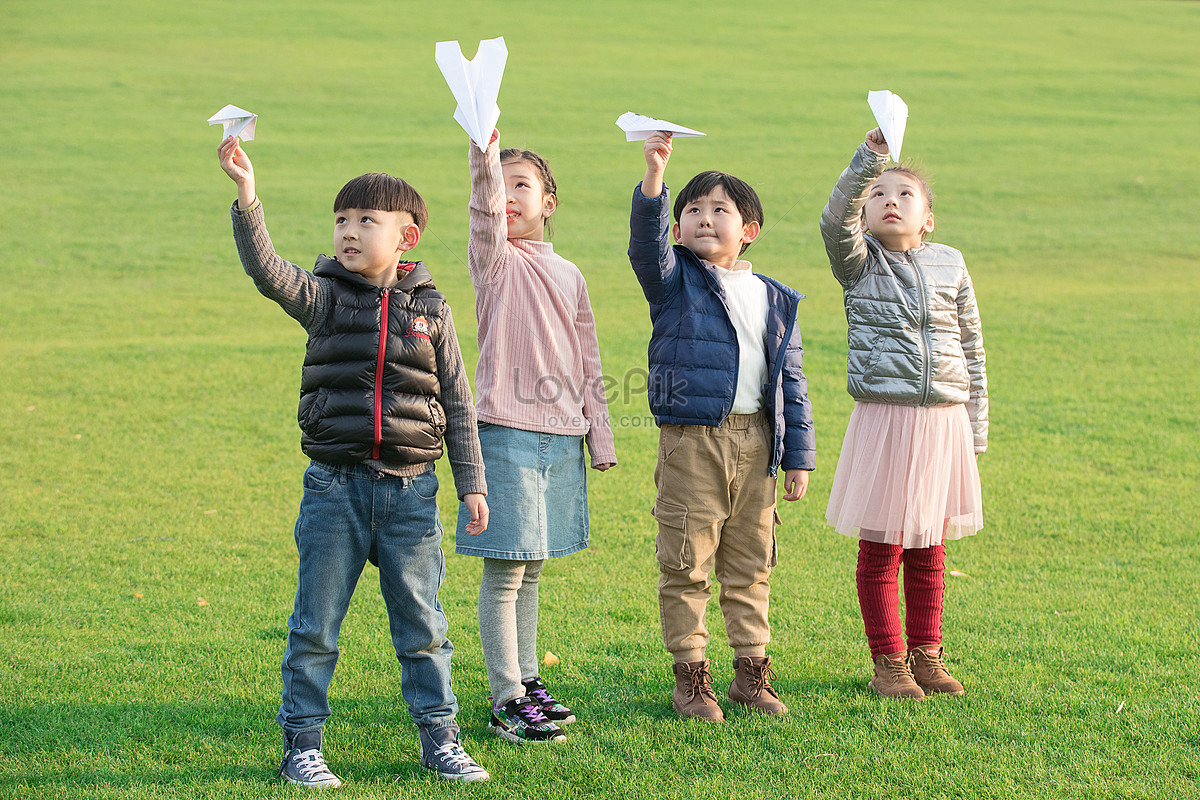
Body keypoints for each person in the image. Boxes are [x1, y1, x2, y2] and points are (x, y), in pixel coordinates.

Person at [217, 135, 491, 785]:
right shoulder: (323, 299)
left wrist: (472, 484)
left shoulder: (432, 311)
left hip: (411, 495)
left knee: (424, 628)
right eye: (341, 219)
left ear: (407, 237)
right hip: (333, 491)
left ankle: (440, 738)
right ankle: (302, 747)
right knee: (315, 628)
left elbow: (457, 398)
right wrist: (247, 196)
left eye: (367, 220)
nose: (348, 231)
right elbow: (267, 271)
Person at [629, 132, 815, 722]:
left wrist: (799, 456)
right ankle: (691, 678)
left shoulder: (774, 297)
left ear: (750, 230)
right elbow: (645, 247)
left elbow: (792, 382)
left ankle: (750, 675)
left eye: (720, 211)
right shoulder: (673, 282)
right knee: (686, 561)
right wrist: (656, 179)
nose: (704, 219)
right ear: (678, 228)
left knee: (752, 562)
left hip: (758, 443)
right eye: (692, 211)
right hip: (692, 443)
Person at [456, 129, 617, 743]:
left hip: (561, 438)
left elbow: (589, 359)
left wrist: (598, 437)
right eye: (500, 188)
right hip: (506, 432)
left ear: (549, 201)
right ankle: (505, 700)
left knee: (534, 568)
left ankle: (526, 681)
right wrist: (482, 155)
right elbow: (481, 213)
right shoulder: (493, 261)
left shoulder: (570, 274)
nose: (507, 197)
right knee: (505, 572)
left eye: (520, 184)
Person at [820, 127, 987, 700]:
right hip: (885, 422)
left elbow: (971, 345)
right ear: (864, 216)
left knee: (929, 546)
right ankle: (888, 660)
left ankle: (927, 653)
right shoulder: (860, 265)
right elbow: (833, 218)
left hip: (944, 422)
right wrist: (870, 159)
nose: (891, 201)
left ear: (929, 217)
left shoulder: (950, 264)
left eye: (905, 194)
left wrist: (976, 427)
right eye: (878, 195)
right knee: (883, 546)